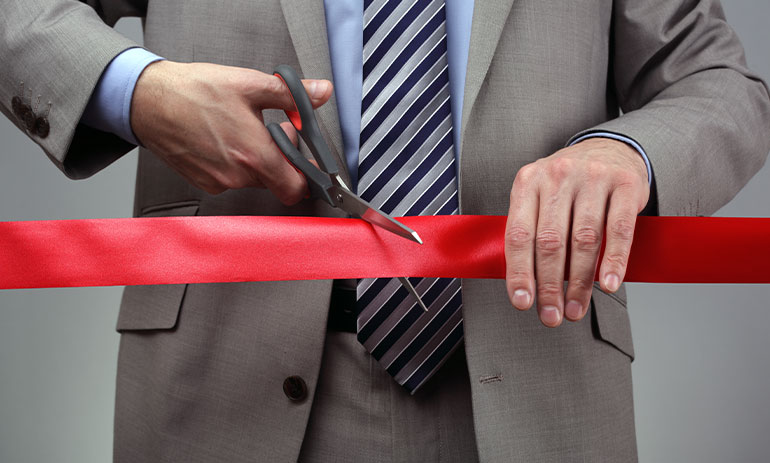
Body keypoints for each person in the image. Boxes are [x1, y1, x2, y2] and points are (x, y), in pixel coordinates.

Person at [3, 0, 769, 461]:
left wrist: (627, 152)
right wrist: (136, 90)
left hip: (536, 381)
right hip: (220, 388)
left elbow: (719, 81)